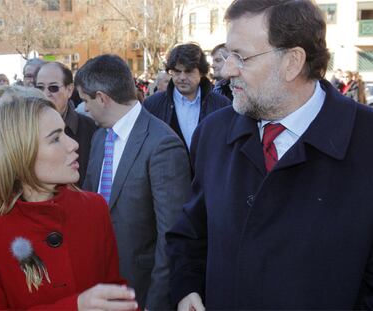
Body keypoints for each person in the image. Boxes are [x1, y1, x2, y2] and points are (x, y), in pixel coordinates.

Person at [167, 0, 373, 310]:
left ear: (292, 62)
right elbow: (191, 234)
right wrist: (186, 287)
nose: (226, 70)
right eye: (225, 55)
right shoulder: (213, 133)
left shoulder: (366, 140)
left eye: (241, 57)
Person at [0, 92, 138, 310]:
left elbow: (114, 291)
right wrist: (75, 307)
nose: (73, 144)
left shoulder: (94, 208)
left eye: (65, 133)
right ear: (19, 153)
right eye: (55, 138)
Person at [75, 54, 191, 310]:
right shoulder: (99, 137)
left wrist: (156, 302)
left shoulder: (162, 144)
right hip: (98, 283)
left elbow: (170, 235)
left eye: (85, 101)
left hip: (140, 290)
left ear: (102, 98)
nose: (83, 108)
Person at [144, 43, 230, 151]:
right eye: (177, 71)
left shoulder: (221, 105)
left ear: (202, 73)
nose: (182, 77)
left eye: (188, 71)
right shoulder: (152, 105)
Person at [36, 62, 97, 186]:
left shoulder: (90, 129)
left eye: (53, 88)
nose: (45, 94)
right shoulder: (25, 128)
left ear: (69, 90)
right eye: (40, 87)